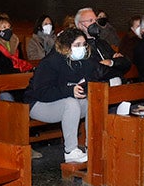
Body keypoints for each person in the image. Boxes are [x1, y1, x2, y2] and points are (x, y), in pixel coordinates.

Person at [25, 28, 102, 164]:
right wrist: (69, 91)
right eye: (77, 45)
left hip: (63, 102)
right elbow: (41, 92)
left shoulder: (84, 60)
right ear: (66, 46)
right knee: (70, 102)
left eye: (84, 44)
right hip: (38, 104)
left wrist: (84, 88)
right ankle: (70, 151)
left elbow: (94, 77)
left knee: (92, 102)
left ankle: (93, 146)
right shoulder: (51, 62)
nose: (82, 48)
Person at [75, 8, 130, 81]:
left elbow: (126, 63)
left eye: (95, 20)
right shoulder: (79, 47)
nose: (95, 24)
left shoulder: (102, 43)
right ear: (80, 25)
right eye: (90, 21)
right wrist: (117, 69)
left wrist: (111, 62)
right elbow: (97, 71)